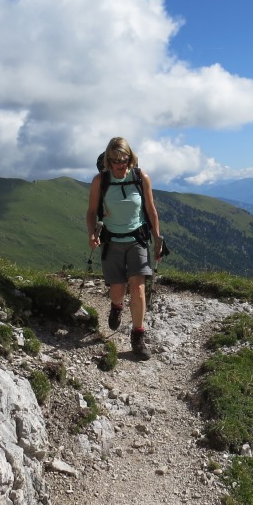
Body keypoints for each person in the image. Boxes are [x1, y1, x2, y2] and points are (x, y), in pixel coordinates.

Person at [86, 137, 164, 359]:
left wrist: (157, 239)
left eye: (124, 159)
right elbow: (91, 211)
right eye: (115, 160)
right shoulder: (100, 181)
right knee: (117, 290)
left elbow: (151, 210)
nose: (121, 165)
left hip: (137, 239)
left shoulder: (140, 178)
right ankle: (116, 306)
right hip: (112, 241)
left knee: (138, 288)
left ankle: (138, 336)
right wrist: (92, 234)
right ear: (108, 160)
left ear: (131, 158)